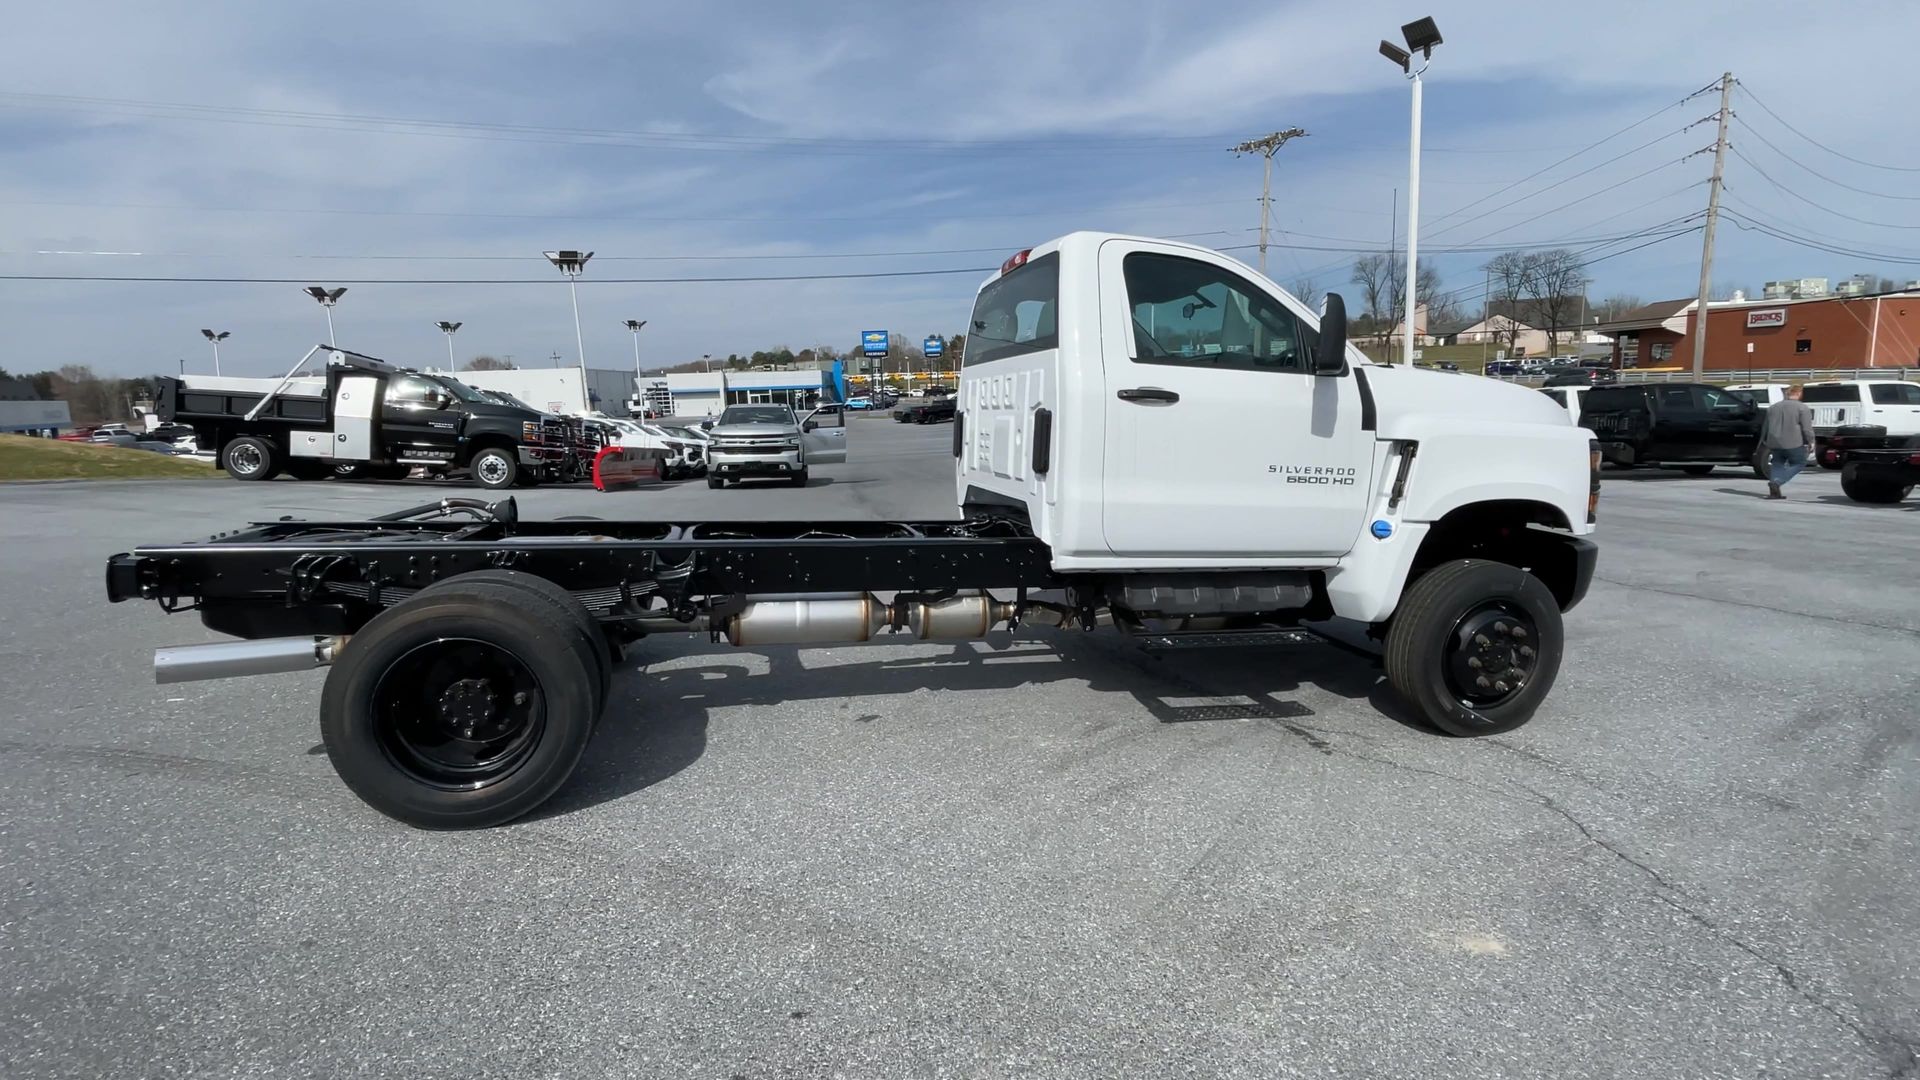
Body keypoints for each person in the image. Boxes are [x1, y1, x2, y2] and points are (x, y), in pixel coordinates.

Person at [1761, 384, 1816, 500]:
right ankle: (1778, 482)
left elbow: (1765, 427)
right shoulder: (1802, 408)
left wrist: (1764, 440)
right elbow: (1806, 428)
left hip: (1774, 441)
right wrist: (1811, 441)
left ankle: (1774, 491)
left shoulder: (1772, 408)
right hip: (1793, 442)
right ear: (1799, 394)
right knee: (1799, 463)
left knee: (1777, 464)